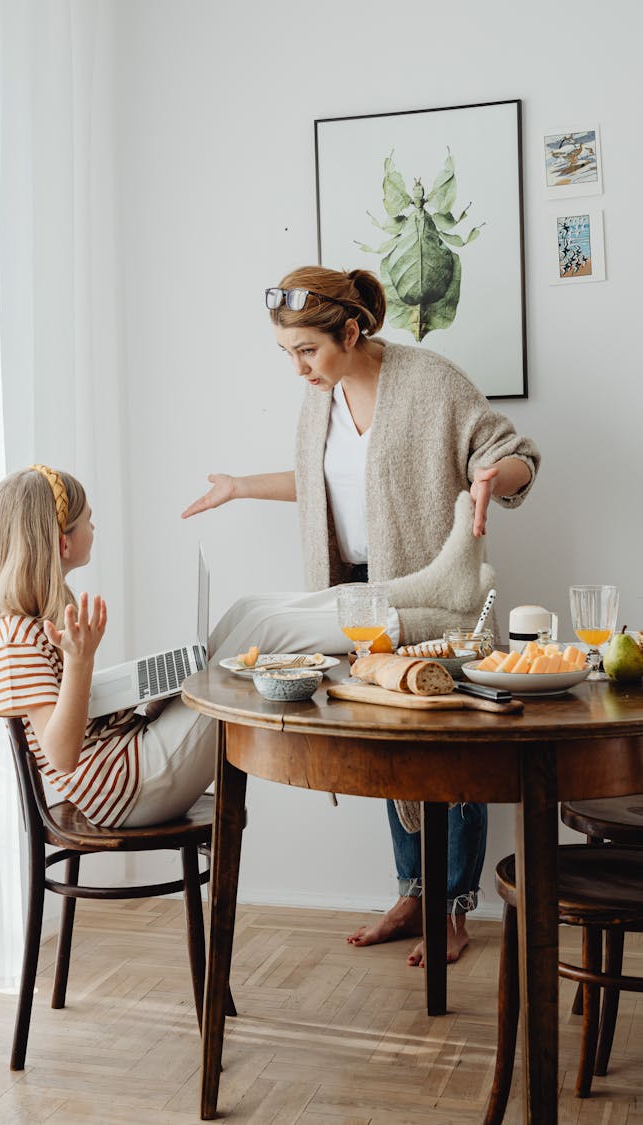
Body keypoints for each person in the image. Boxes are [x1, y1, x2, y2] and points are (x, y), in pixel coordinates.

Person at [182, 265, 540, 965]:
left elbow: (512, 453)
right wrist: (240, 488)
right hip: (361, 600)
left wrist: (491, 479)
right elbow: (322, 484)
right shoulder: (320, 402)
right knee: (386, 744)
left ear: (350, 330)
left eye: (306, 351)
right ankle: (412, 893)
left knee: (449, 750)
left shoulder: (432, 382)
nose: (297, 369)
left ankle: (454, 907)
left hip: (438, 603)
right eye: (286, 353)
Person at [0, 465, 217, 828]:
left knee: (237, 634)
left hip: (127, 762)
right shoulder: (16, 637)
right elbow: (61, 754)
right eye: (89, 520)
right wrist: (79, 661)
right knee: (242, 658)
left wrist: (140, 693)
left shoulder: (31, 623)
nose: (94, 528)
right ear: (63, 542)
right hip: (126, 787)